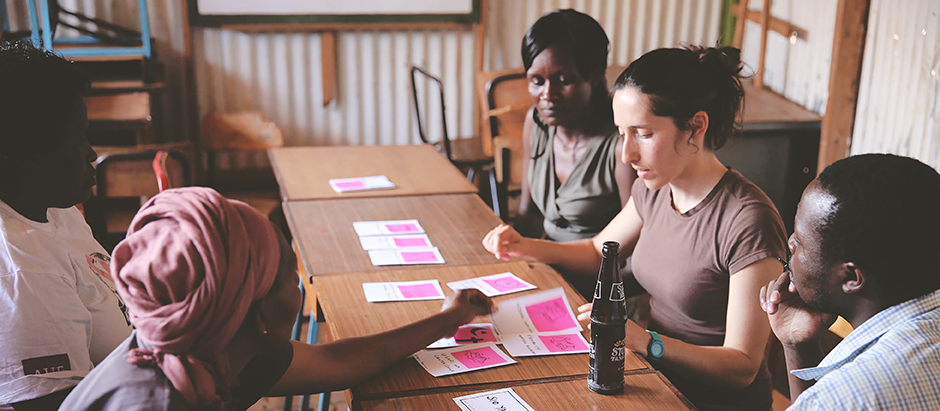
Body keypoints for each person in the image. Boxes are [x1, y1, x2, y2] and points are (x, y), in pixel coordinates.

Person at [484, 46, 787, 411]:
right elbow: (598, 251)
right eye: (621, 133)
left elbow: (742, 366)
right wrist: (526, 245)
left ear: (696, 127)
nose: (627, 154)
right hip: (651, 382)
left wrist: (647, 342)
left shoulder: (747, 219)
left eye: (643, 134)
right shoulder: (655, 188)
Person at [60, 187, 495, 410]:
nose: (300, 289)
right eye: (291, 277)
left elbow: (342, 361)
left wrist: (450, 317)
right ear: (257, 313)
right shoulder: (156, 402)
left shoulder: (206, 344)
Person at [0, 41, 133, 410]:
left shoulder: (55, 210)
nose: (91, 153)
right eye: (78, 140)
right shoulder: (25, 270)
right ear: (23, 157)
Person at [760, 153, 940, 410]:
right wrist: (798, 346)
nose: (790, 242)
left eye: (800, 241)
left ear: (852, 278)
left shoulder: (839, 399)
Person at [516, 9, 635, 243]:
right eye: (537, 81)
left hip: (600, 265)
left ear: (594, 76)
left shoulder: (620, 146)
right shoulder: (536, 124)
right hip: (545, 259)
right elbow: (526, 215)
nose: (547, 95)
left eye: (564, 80)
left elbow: (635, 241)